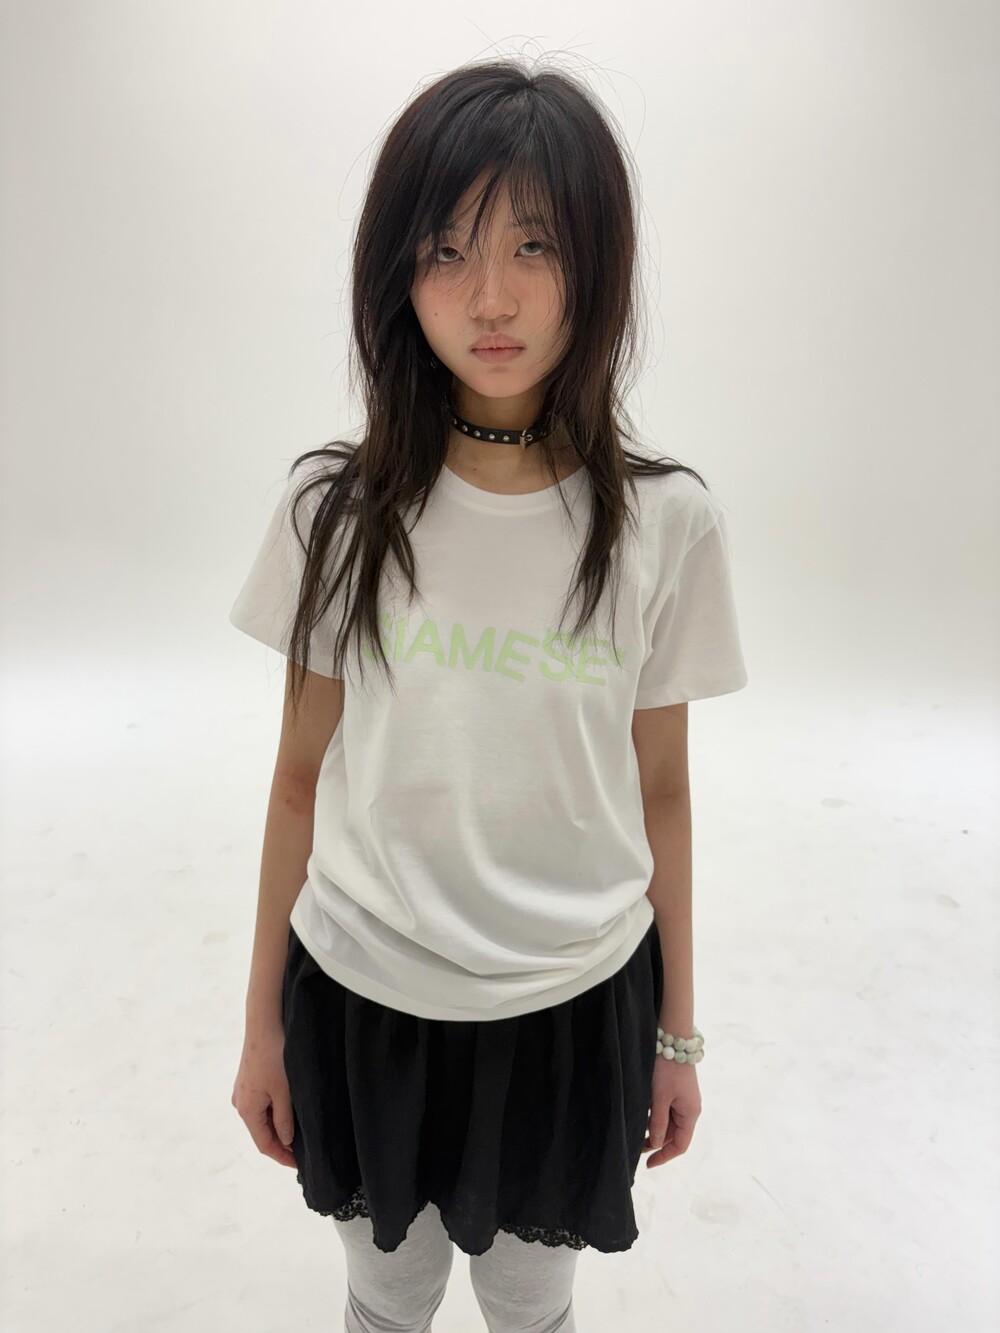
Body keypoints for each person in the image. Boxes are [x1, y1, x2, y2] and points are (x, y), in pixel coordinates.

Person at [229, 54, 748, 1333]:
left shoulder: (665, 522)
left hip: (570, 1009)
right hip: (366, 997)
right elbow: (297, 778)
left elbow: (663, 790)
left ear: (597, 265)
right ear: (397, 275)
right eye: (447, 251)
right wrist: (258, 1028)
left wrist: (678, 1034)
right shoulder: (334, 511)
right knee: (386, 1296)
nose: (492, 297)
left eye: (534, 246)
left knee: (529, 1304)